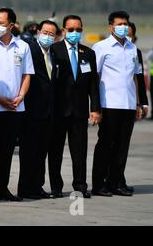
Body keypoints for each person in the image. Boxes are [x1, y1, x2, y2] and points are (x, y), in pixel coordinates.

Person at [0, 8, 34, 202]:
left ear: (11, 25)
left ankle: (1, 188)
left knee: (7, 151)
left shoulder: (23, 46)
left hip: (16, 108)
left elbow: (27, 74)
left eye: (1, 23)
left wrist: (20, 96)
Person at [92, 11, 143, 197]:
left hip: (128, 105)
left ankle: (115, 183)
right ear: (111, 27)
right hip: (108, 103)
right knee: (105, 144)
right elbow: (94, 78)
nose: (123, 27)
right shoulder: (101, 47)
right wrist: (95, 106)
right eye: (119, 24)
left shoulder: (132, 49)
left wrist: (138, 103)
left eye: (126, 24)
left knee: (122, 146)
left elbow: (135, 78)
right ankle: (98, 184)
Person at [49, 15, 101, 199]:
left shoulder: (88, 53)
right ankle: (56, 187)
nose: (75, 33)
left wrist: (95, 108)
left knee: (79, 151)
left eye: (78, 29)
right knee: (55, 150)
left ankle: (80, 185)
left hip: (79, 111)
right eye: (71, 29)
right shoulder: (54, 50)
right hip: (58, 110)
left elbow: (93, 84)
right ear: (63, 31)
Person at [18, 20, 57, 199]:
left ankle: (37, 186)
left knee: (41, 153)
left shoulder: (53, 54)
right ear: (38, 32)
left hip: (48, 113)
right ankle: (26, 187)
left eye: (52, 34)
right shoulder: (30, 49)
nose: (48, 36)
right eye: (45, 32)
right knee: (29, 153)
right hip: (32, 111)